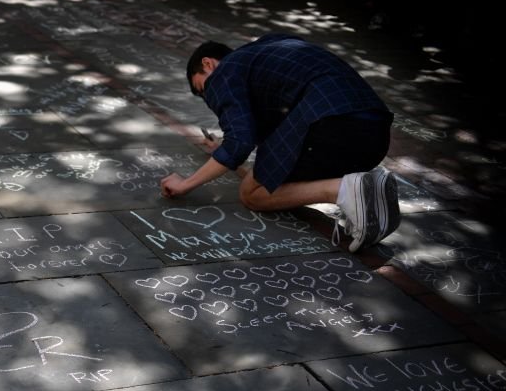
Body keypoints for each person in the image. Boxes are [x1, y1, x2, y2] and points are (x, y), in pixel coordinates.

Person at [160, 34, 399, 252]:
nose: (208, 97)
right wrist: (224, 147)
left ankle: (344, 189)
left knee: (251, 193)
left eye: (202, 89)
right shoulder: (270, 46)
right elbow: (268, 138)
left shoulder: (223, 73)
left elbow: (240, 143)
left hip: (331, 125)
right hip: (374, 134)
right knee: (267, 171)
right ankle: (368, 187)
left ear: (208, 64)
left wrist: (185, 184)